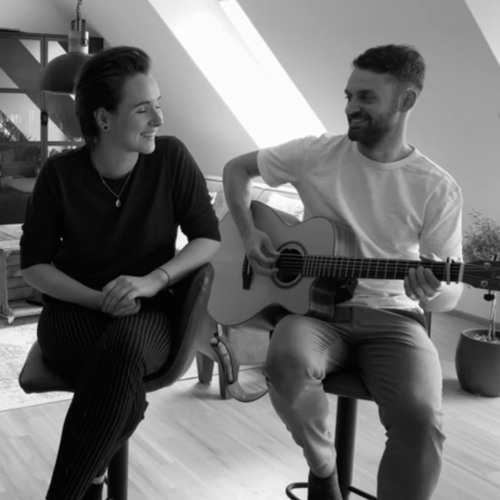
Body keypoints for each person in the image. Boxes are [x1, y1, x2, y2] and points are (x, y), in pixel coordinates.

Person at [222, 44, 463, 500]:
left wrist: (429, 290)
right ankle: (324, 468)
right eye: (349, 95)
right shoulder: (315, 153)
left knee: (421, 418)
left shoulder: (436, 187)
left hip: (393, 318)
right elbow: (236, 170)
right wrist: (250, 233)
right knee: (285, 363)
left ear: (406, 100)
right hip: (315, 314)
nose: (351, 107)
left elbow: (451, 297)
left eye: (366, 97)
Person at [20, 46, 220, 500]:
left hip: (150, 311)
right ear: (104, 118)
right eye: (143, 109)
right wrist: (98, 299)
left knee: (123, 353)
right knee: (117, 377)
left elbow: (207, 238)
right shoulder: (60, 174)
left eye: (158, 104)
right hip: (73, 310)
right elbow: (34, 265)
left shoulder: (171, 158)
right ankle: (91, 477)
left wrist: (153, 281)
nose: (159, 119)